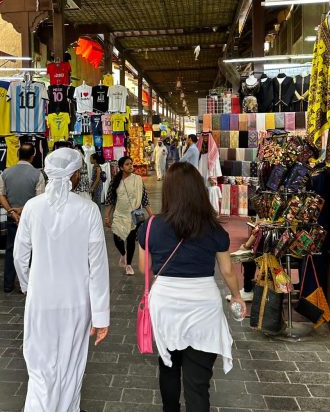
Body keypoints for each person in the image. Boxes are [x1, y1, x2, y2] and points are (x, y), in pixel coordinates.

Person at [138, 162, 244, 412]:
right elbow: (227, 270)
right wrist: (236, 296)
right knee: (197, 383)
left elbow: (145, 269)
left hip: (165, 304)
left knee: (169, 368)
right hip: (203, 306)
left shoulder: (151, 226)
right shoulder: (213, 229)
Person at [13, 148, 110, 412]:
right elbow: (98, 266)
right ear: (75, 174)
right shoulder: (88, 210)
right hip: (76, 303)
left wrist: (28, 286)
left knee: (39, 368)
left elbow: (20, 256)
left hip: (40, 301)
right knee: (71, 368)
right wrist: (100, 315)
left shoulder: (32, 208)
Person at [0, 143, 46, 293]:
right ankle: (28, 283)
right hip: (31, 218)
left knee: (11, 249)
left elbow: (0, 194)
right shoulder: (38, 175)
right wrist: (24, 210)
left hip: (12, 217)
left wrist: (12, 212)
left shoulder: (6, 173)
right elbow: (40, 199)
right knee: (31, 250)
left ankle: (8, 284)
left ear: (18, 155)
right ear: (33, 156)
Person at [104, 156, 153, 275]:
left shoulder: (138, 180)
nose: (130, 166)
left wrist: (151, 215)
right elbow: (110, 200)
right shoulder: (115, 181)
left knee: (131, 240)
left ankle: (129, 265)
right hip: (120, 214)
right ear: (121, 167)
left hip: (134, 215)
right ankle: (123, 254)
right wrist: (107, 216)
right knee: (117, 238)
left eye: (131, 163)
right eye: (127, 164)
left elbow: (144, 199)